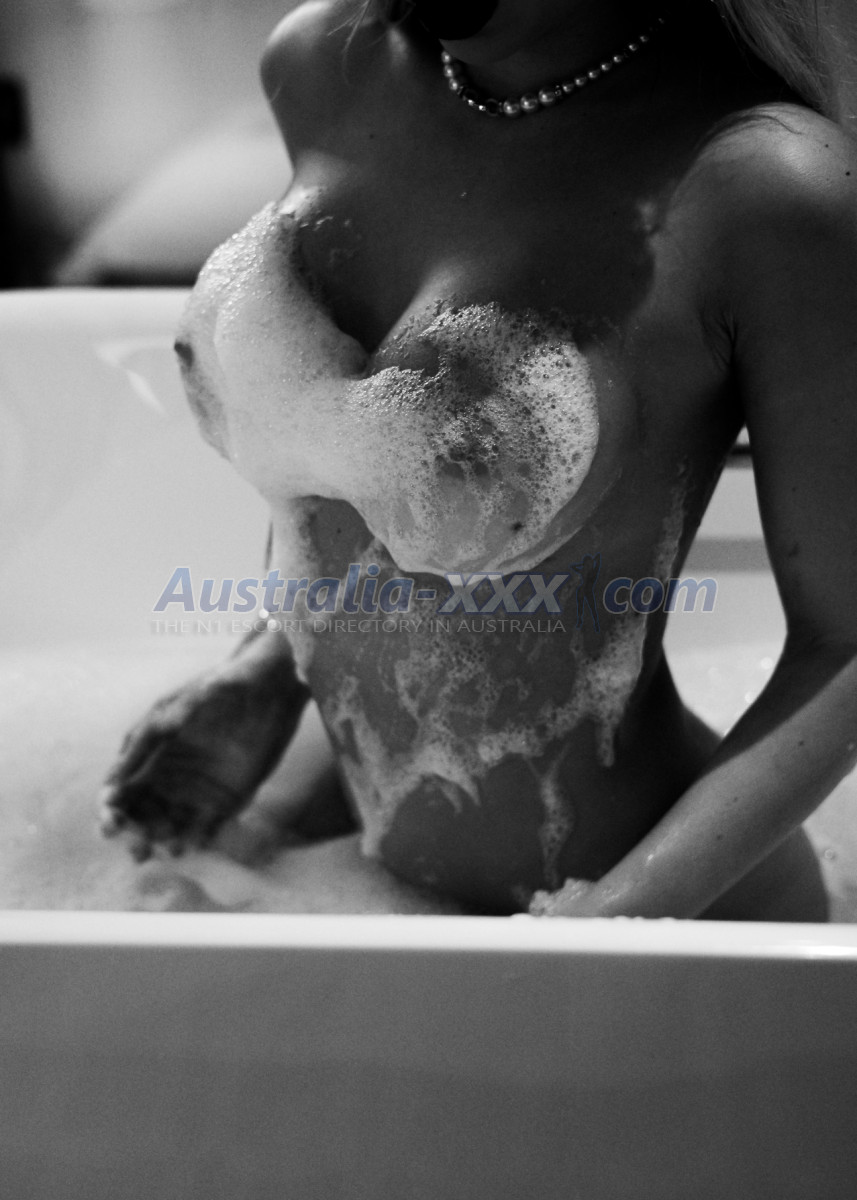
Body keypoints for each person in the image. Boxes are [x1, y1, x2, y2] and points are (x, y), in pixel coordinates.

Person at [100, 0, 857, 920]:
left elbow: (845, 648)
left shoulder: (769, 185)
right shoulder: (322, 63)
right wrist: (263, 673)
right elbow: (331, 447)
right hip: (368, 874)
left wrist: (604, 930)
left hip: (649, 911)